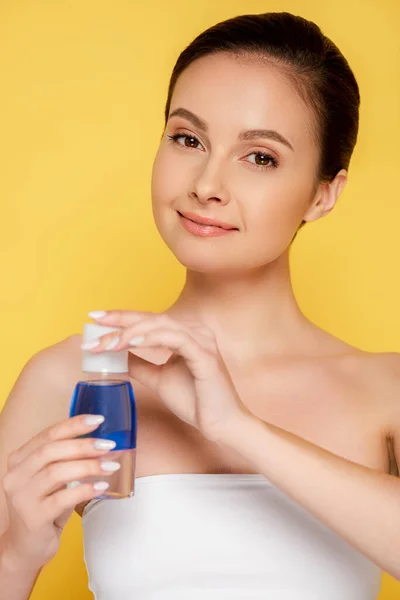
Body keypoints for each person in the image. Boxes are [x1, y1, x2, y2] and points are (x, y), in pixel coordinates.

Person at [0, 10, 399, 600]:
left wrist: (238, 428)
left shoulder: (384, 388)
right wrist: (15, 554)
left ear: (323, 193)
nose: (206, 184)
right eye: (188, 139)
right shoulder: (70, 377)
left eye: (260, 156)